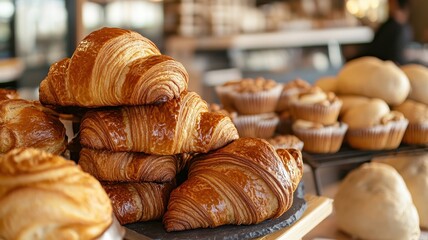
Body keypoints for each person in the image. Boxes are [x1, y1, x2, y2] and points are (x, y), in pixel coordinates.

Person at [355, 0, 412, 65]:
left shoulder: (393, 26)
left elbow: (375, 50)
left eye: (389, 2)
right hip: (391, 66)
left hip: (378, 65)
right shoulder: (406, 27)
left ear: (394, 3)